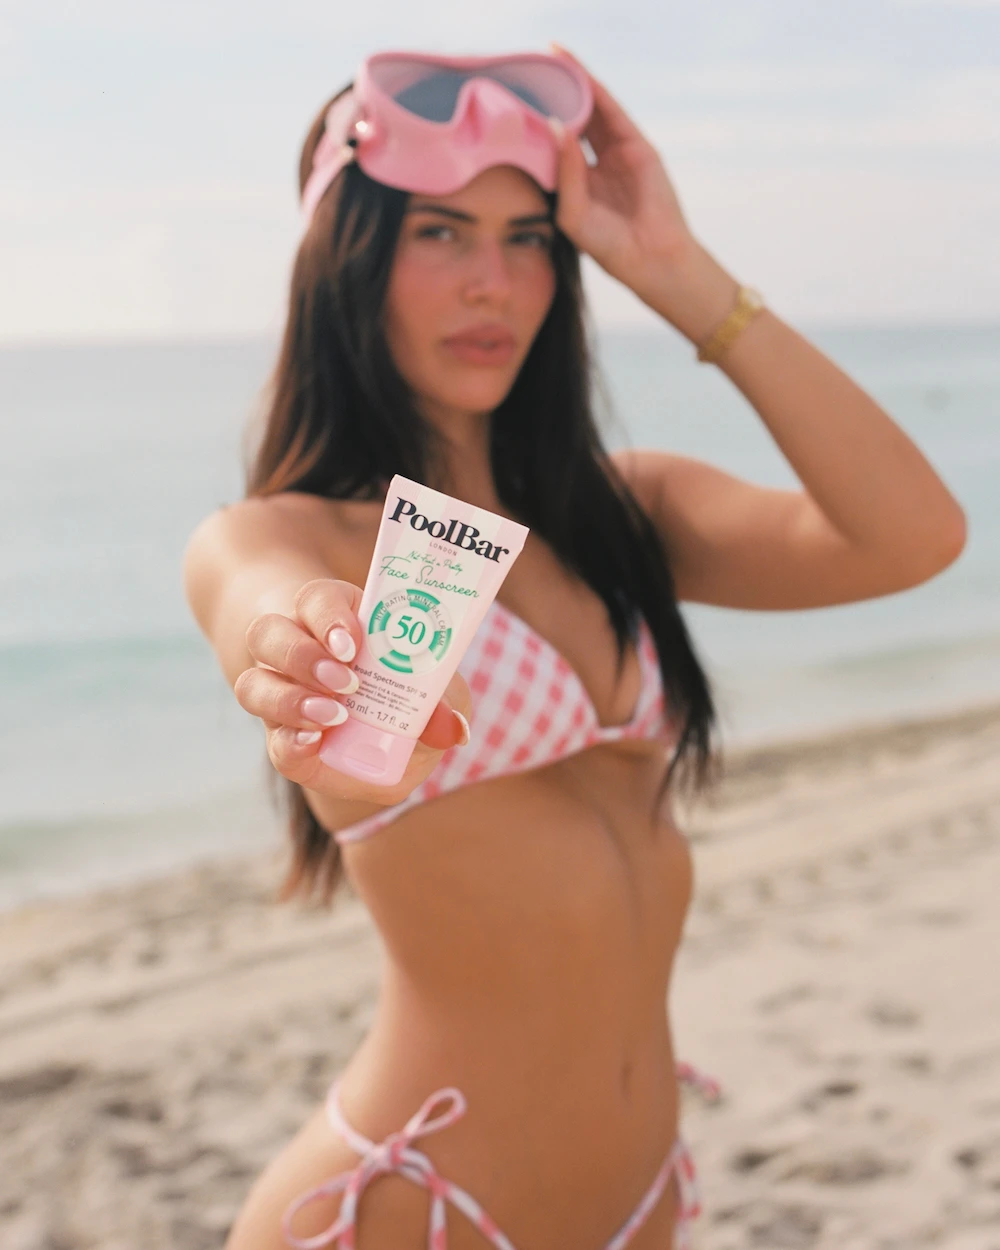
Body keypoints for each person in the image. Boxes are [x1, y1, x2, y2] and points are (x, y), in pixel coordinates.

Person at [183, 44, 967, 1250]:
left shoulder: (627, 515)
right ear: (347, 261)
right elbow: (285, 639)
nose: (493, 281)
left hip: (642, 1201)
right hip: (411, 1212)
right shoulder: (291, 536)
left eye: (529, 237)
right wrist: (310, 652)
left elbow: (913, 534)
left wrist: (679, 273)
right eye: (439, 233)